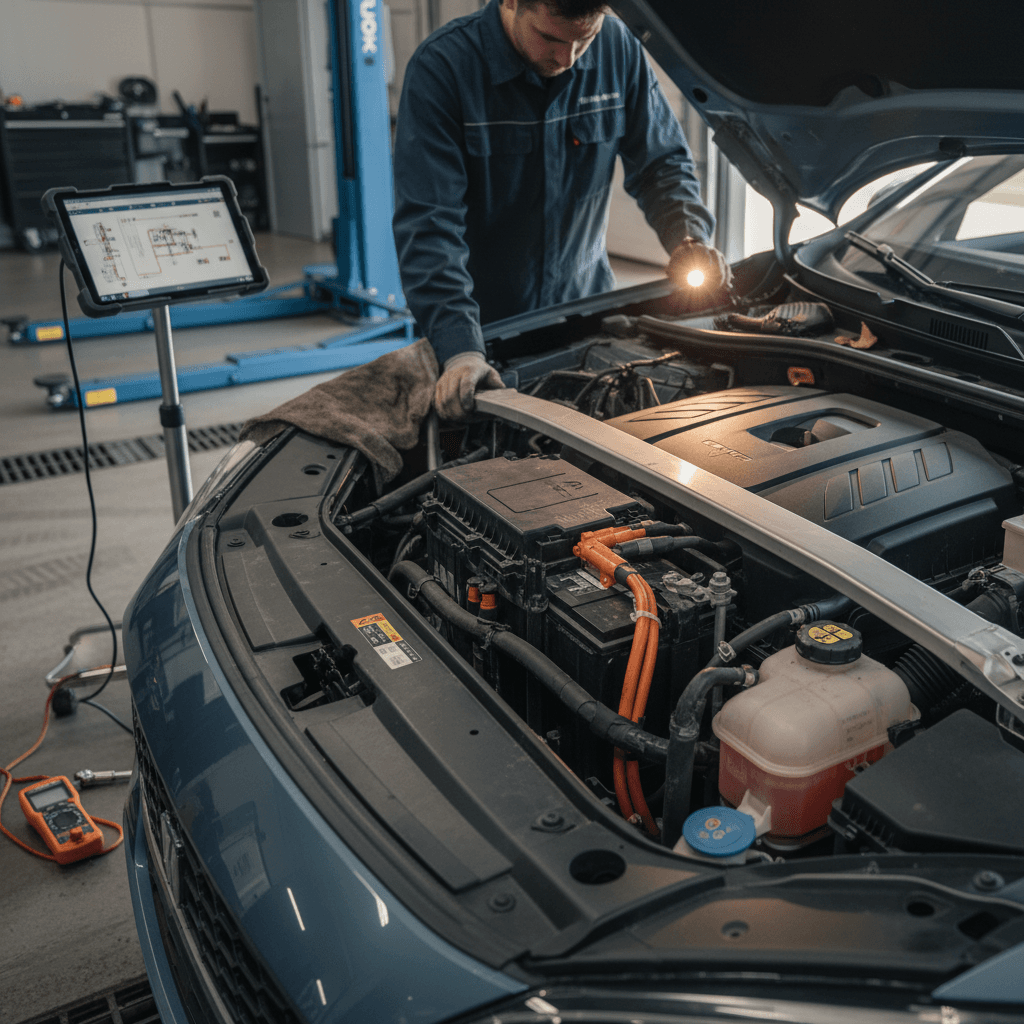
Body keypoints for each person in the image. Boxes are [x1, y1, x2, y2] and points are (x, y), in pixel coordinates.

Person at [392, 0, 730, 420]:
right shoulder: (444, 68)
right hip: (485, 331)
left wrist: (688, 238)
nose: (566, 59)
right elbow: (430, 224)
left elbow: (662, 165)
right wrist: (460, 348)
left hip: (588, 316)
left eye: (582, 40)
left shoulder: (617, 47)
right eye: (550, 37)